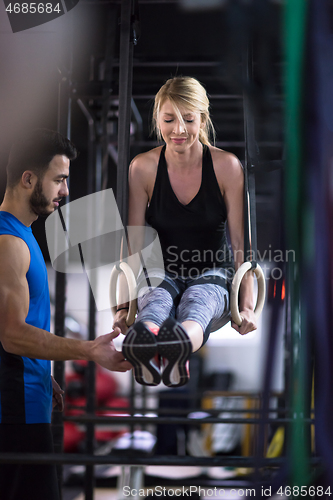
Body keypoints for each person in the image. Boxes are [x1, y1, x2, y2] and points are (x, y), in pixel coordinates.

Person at [0, 129, 132, 500]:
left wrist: (45, 372)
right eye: (58, 180)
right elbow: (11, 334)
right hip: (15, 415)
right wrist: (88, 349)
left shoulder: (21, 237)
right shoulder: (8, 244)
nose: (65, 191)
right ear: (28, 179)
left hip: (27, 402)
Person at [113, 76, 257, 389]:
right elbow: (134, 240)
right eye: (168, 120)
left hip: (213, 273)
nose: (178, 130)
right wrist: (124, 305)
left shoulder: (227, 167)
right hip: (162, 271)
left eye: (189, 120)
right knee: (156, 300)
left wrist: (245, 306)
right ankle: (144, 344)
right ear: (157, 120)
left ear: (203, 119)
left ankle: (178, 345)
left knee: (198, 300)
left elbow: (238, 244)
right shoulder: (143, 168)